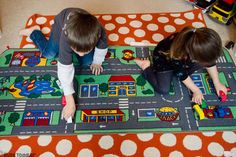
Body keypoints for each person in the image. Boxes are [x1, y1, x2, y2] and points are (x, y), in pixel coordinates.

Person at [19, 8, 108, 120]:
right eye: (77, 50)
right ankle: (34, 32)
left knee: (87, 61)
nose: (80, 54)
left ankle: (83, 51)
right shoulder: (66, 37)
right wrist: (70, 101)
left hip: (81, 26)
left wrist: (97, 62)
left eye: (85, 51)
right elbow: (64, 70)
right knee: (49, 53)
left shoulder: (100, 33)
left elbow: (102, 47)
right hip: (60, 25)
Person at [134, 26, 227, 104]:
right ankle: (145, 66)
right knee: (163, 89)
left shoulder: (196, 45)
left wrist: (217, 83)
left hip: (184, 59)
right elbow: (181, 75)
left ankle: (193, 63)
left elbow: (210, 62)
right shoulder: (176, 53)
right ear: (193, 55)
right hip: (164, 60)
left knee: (204, 62)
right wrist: (196, 90)